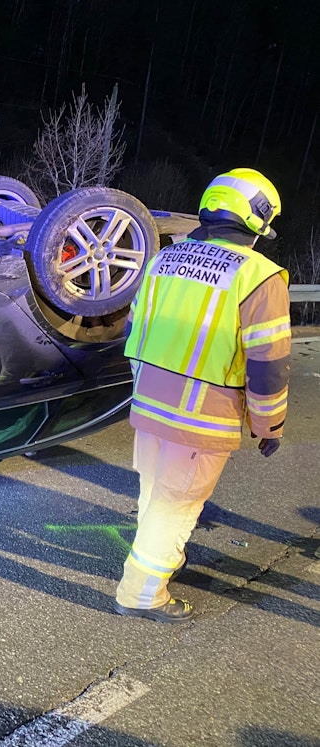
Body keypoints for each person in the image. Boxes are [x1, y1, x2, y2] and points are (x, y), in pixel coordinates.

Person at [114, 167, 291, 623]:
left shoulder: (164, 259)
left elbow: (134, 328)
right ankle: (142, 593)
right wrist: (268, 425)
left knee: (156, 492)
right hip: (201, 416)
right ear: (256, 221)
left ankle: (163, 557)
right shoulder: (259, 276)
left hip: (148, 402)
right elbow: (268, 363)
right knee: (177, 505)